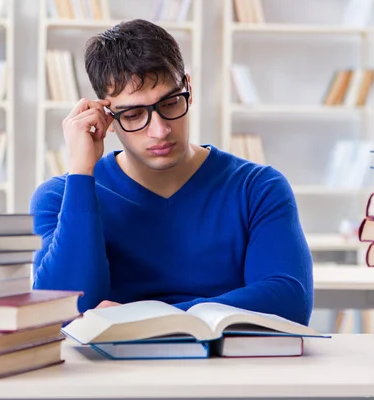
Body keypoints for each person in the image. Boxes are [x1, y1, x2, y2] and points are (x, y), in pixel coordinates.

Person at [30, 19, 314, 326]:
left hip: (229, 370)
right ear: (106, 116)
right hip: (112, 372)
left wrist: (142, 317)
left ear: (188, 88)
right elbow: (65, 311)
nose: (160, 129)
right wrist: (81, 172)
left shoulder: (258, 188)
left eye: (170, 102)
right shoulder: (61, 196)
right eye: (134, 114)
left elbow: (289, 301)